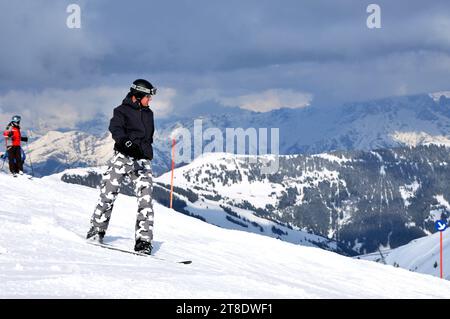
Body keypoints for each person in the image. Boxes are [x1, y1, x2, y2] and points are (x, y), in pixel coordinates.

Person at [86, 79, 157, 255]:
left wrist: (145, 152)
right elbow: (115, 128)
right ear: (138, 95)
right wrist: (125, 142)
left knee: (145, 200)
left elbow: (149, 137)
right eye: (148, 96)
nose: (150, 100)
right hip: (122, 158)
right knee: (108, 193)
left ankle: (143, 242)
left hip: (141, 161)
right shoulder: (121, 111)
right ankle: (97, 230)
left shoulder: (149, 114)